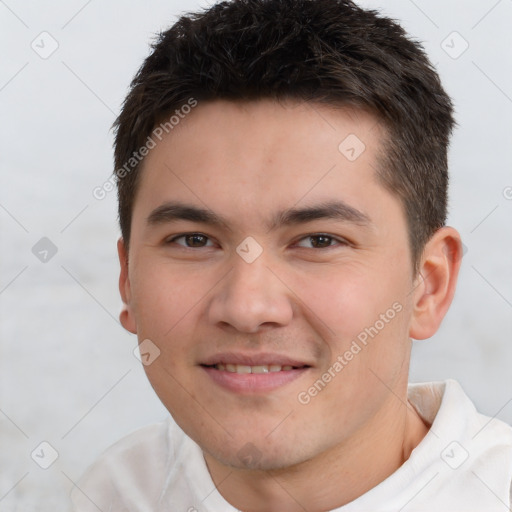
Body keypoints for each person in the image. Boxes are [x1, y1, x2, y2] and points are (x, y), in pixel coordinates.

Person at [71, 0, 512, 510]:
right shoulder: (113, 493)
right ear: (127, 280)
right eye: (194, 240)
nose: (247, 308)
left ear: (428, 285)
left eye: (319, 241)